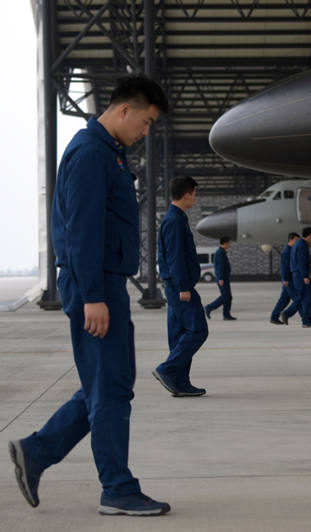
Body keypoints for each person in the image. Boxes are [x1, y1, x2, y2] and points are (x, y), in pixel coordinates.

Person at [7, 76, 171, 516]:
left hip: (104, 283)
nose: (145, 132)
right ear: (125, 110)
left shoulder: (107, 153)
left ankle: (36, 452)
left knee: (109, 383)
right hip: (94, 285)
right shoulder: (90, 153)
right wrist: (93, 296)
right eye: (146, 122)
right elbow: (82, 230)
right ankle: (116, 488)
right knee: (111, 390)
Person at [152, 176, 209, 398]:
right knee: (198, 330)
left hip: (175, 285)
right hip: (179, 287)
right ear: (187, 194)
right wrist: (183, 287)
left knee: (179, 336)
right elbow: (175, 256)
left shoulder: (175, 218)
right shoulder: (175, 221)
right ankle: (167, 369)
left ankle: (180, 383)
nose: (195, 198)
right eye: (194, 193)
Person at [281, 227, 311, 327]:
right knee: (305, 298)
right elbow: (302, 262)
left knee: (303, 298)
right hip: (301, 275)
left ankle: (307, 319)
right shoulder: (302, 245)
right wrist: (305, 276)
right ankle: (293, 315)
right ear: (309, 235)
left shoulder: (298, 244)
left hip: (298, 274)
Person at [270, 232, 299, 325]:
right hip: (289, 280)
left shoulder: (291, 250)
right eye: (296, 240)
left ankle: (274, 317)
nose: (297, 242)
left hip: (289, 279)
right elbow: (285, 266)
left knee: (284, 300)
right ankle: (303, 317)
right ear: (291, 240)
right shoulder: (288, 251)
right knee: (298, 299)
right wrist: (285, 279)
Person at [204, 236, 236, 320]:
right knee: (225, 296)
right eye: (229, 243)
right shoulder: (220, 253)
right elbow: (220, 267)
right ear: (225, 243)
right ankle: (209, 307)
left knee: (228, 297)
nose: (230, 244)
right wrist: (221, 278)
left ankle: (226, 315)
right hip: (222, 279)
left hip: (225, 278)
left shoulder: (222, 252)